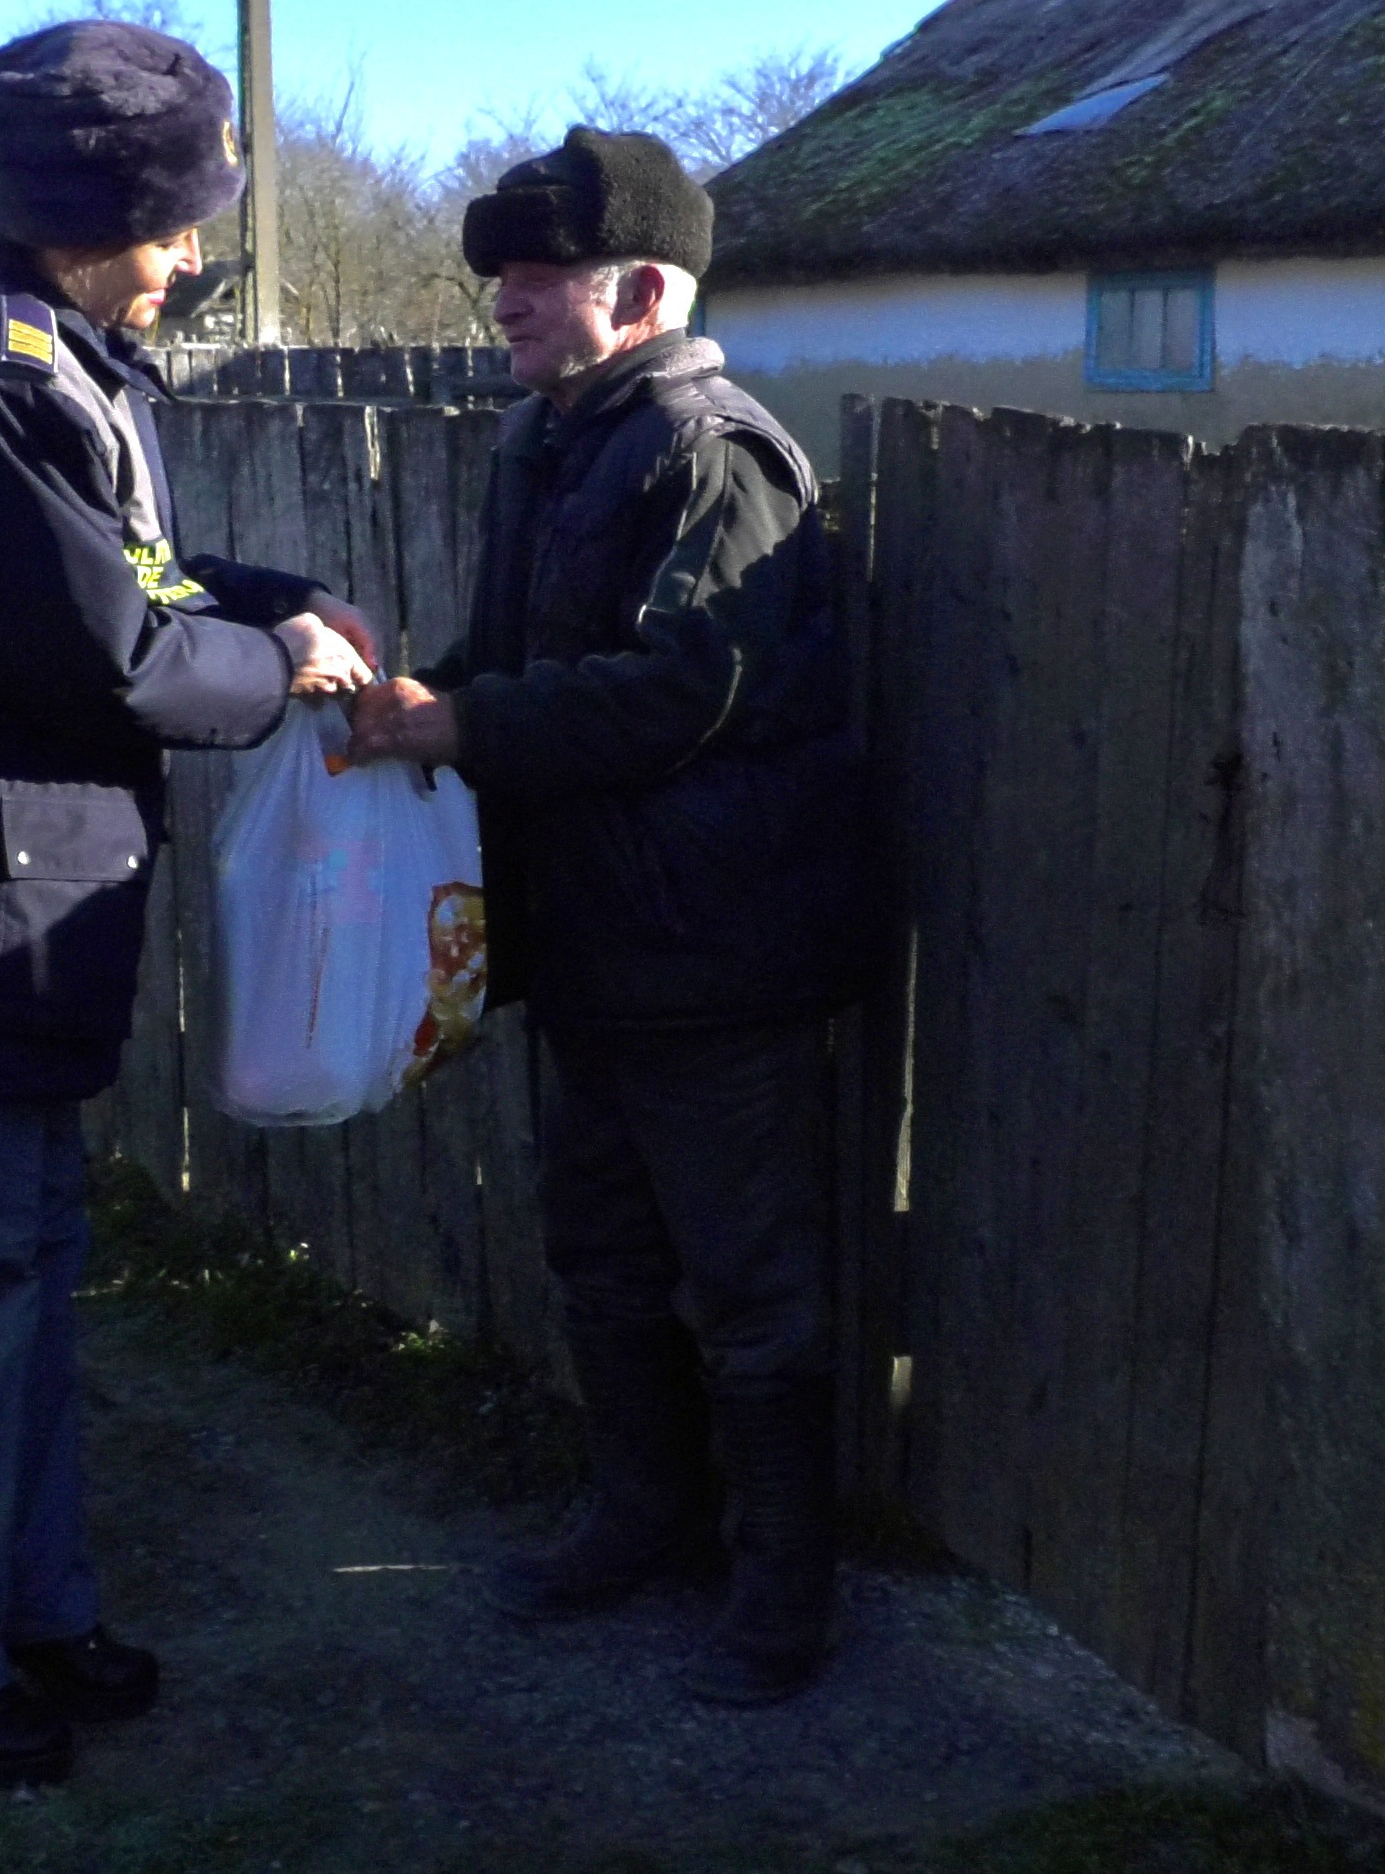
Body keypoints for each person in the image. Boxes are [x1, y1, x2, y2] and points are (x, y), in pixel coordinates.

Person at [0, 21, 377, 1789]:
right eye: (177, 220)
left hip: (2, 879)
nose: (195, 252)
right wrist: (276, 662)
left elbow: (129, 571)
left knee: (25, 1270)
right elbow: (114, 651)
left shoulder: (47, 350)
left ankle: (31, 1606)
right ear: (80, 220)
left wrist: (280, 599)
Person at [347, 128, 864, 1705]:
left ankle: (785, 1587)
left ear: (638, 289)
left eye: (536, 271)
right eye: (500, 270)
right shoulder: (550, 439)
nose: (504, 296)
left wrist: (458, 726)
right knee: (604, 1255)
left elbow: (681, 690)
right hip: (588, 938)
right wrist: (408, 695)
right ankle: (646, 1516)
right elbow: (510, 651)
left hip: (712, 950)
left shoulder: (717, 453)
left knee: (750, 1283)